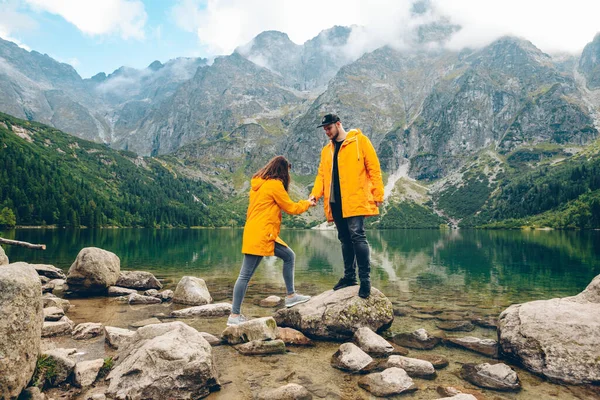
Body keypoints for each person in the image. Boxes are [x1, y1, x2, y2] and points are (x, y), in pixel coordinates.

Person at [228, 156, 316, 326]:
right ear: (282, 170)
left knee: (284, 257)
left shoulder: (258, 185)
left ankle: (289, 296)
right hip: (263, 234)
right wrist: (307, 203)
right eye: (287, 172)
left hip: (254, 232)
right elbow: (291, 207)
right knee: (247, 274)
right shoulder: (275, 184)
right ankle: (235, 315)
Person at [309, 114, 384, 298]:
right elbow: (321, 176)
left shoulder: (359, 141)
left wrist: (378, 193)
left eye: (329, 128)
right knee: (344, 238)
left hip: (354, 197)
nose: (327, 132)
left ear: (338, 124)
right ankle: (349, 277)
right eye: (325, 129)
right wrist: (315, 194)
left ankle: (365, 281)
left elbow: (373, 167)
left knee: (357, 235)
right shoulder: (326, 150)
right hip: (335, 200)